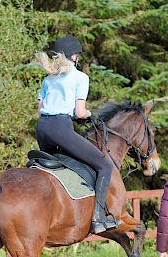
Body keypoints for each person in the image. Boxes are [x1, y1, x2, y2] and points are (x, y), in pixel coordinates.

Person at [34, 35, 118, 234]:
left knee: (62, 163)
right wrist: (91, 115)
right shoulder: (80, 77)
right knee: (105, 166)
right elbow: (80, 112)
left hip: (42, 129)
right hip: (60, 128)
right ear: (74, 56)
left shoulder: (48, 79)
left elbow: (40, 110)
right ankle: (98, 217)